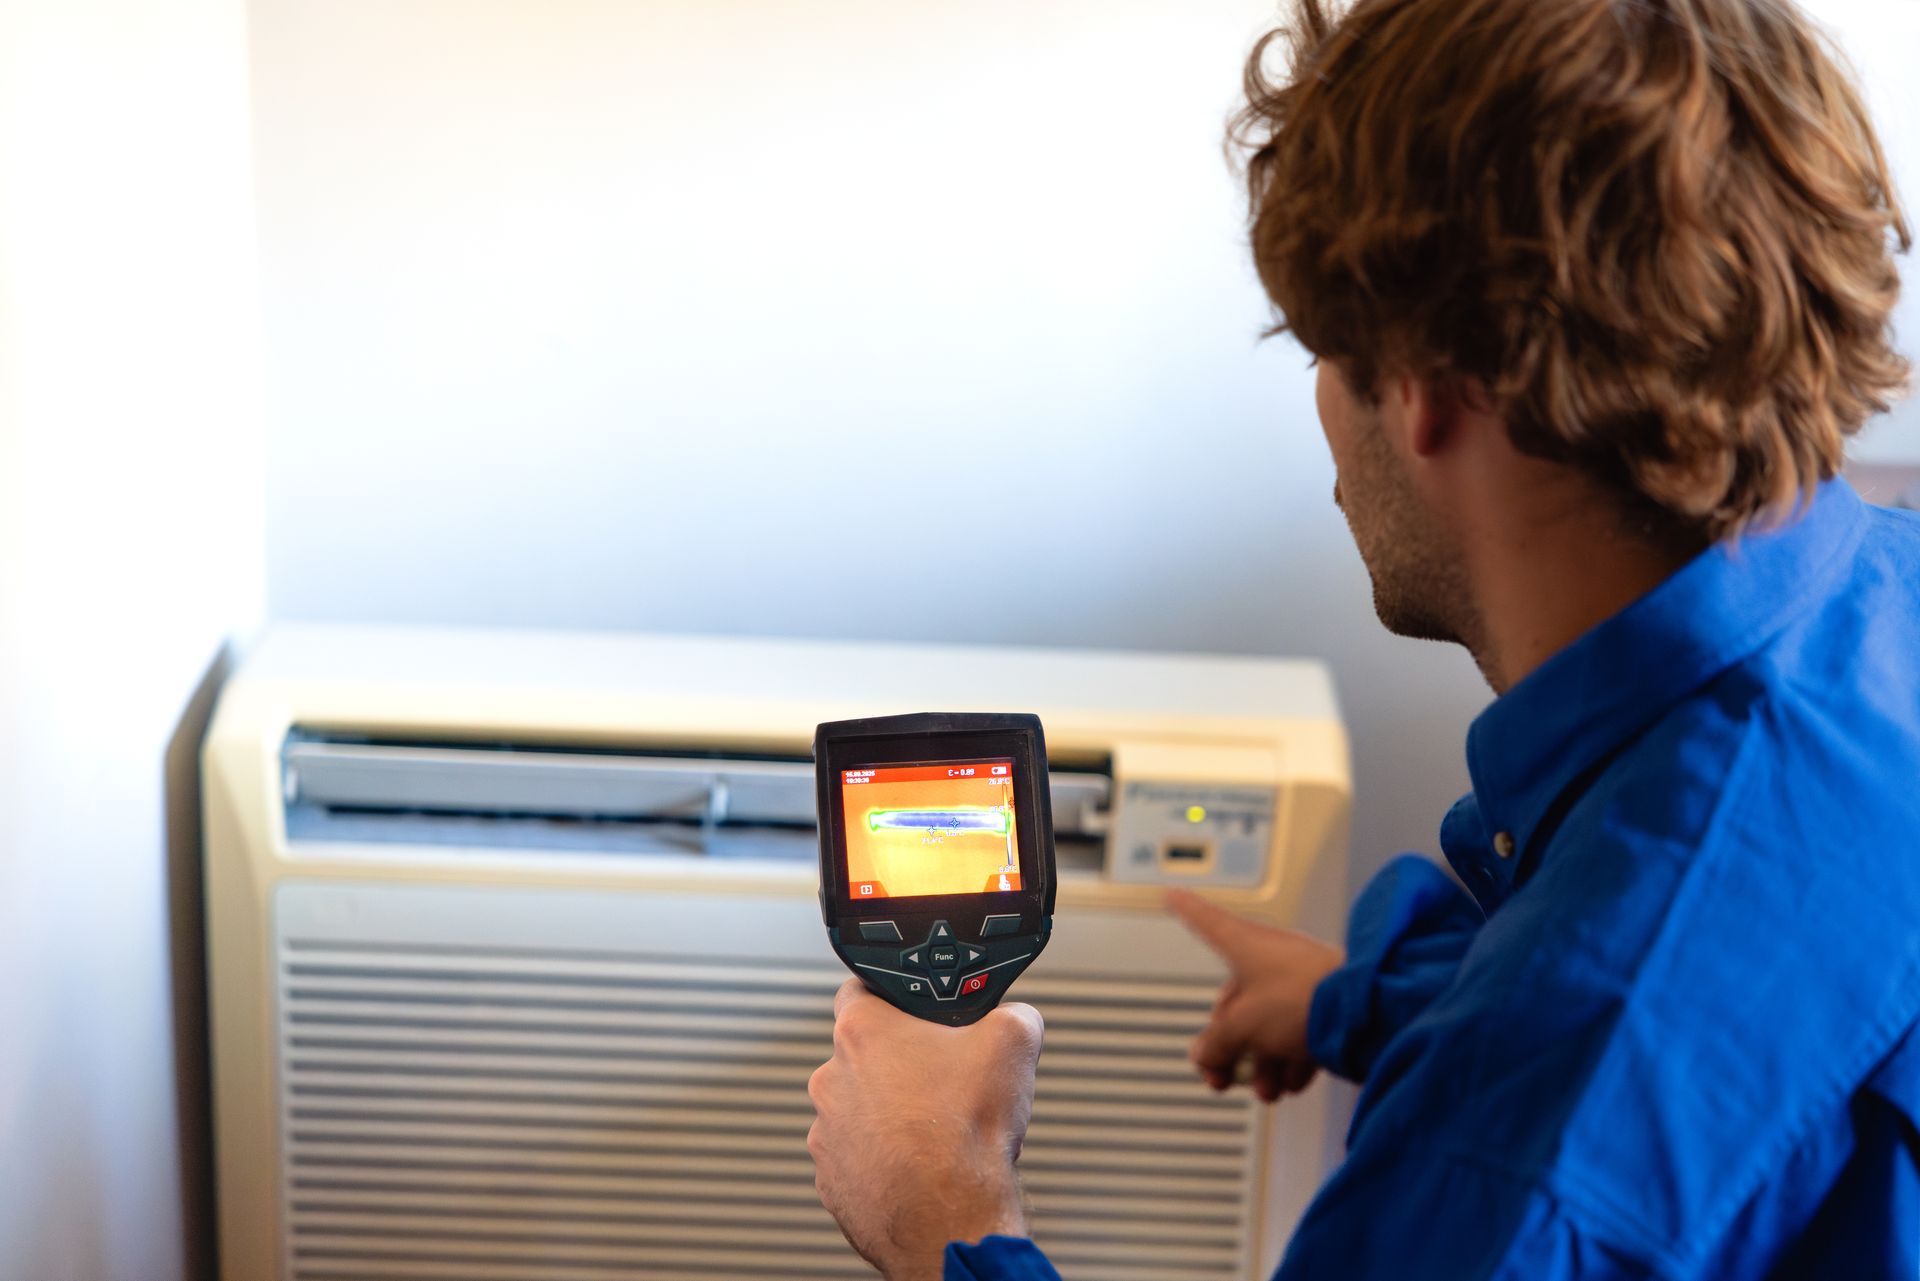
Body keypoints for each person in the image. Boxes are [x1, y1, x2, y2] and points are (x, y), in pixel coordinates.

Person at [805, 0, 1920, 1275]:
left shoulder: (1521, 1168)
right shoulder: (1885, 598)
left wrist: (945, 1216)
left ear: (1430, 388)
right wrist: (1392, 997)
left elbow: (1603, 1086)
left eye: (1324, 351)